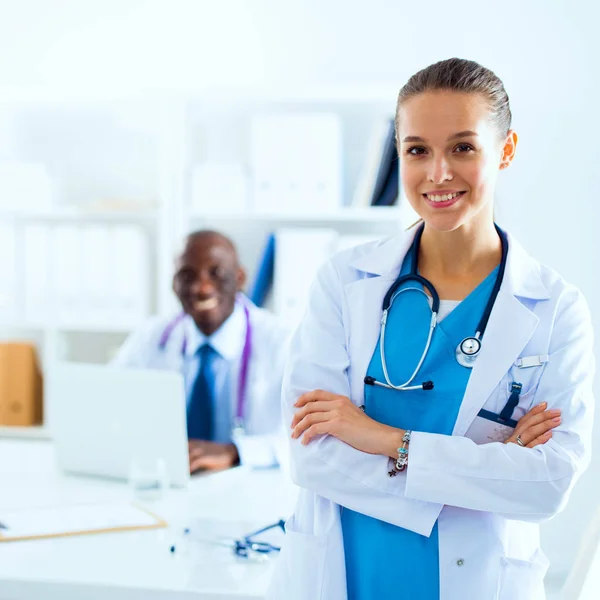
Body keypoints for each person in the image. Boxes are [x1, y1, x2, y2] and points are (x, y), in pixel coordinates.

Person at [268, 58, 595, 600]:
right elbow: (312, 453)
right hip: (345, 572)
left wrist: (384, 440)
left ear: (506, 150)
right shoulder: (345, 281)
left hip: (479, 578)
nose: (438, 173)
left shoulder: (556, 308)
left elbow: (548, 484)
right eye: (417, 149)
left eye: (463, 147)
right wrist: (487, 471)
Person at [113, 230, 290, 473]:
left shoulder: (282, 341)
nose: (201, 288)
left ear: (240, 278)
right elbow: (112, 411)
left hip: (250, 487)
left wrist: (237, 452)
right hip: (169, 479)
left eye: (216, 274)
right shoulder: (150, 338)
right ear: (174, 285)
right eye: (187, 276)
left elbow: (308, 441)